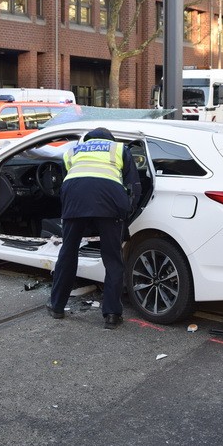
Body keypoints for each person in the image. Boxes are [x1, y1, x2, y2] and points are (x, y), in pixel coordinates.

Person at [48, 127, 141, 329]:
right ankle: (112, 315)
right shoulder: (119, 149)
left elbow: (67, 180)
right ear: (110, 139)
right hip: (110, 201)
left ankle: (57, 306)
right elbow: (133, 185)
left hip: (75, 201)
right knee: (112, 258)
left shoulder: (73, 151)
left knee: (68, 253)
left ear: (88, 139)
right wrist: (126, 213)